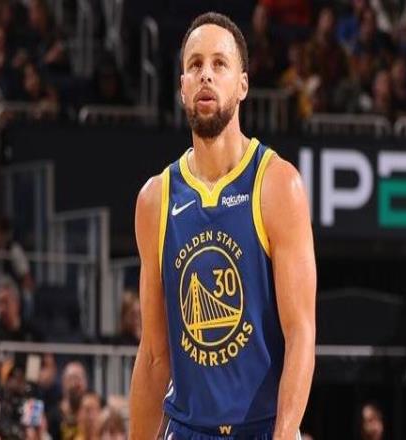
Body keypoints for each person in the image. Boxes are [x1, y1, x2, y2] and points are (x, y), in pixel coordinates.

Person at [128, 11, 316, 439]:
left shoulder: (277, 184)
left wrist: (285, 433)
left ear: (243, 84)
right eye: (194, 65)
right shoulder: (155, 200)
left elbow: (301, 333)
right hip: (187, 428)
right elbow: (155, 356)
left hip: (262, 428)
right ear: (182, 87)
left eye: (219, 63)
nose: (206, 75)